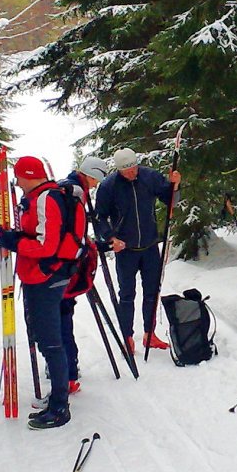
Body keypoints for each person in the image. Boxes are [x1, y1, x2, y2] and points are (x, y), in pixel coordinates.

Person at [0, 156, 83, 430]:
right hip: (41, 276)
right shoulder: (38, 198)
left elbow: (47, 245)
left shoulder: (45, 199)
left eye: (19, 177)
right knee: (47, 339)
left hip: (46, 276)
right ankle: (57, 398)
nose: (17, 183)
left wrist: (14, 241)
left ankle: (59, 408)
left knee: (50, 342)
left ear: (29, 175)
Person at [93, 147, 181, 355]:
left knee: (152, 291)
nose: (132, 173)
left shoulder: (149, 177)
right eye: (126, 170)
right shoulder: (109, 186)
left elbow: (170, 202)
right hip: (125, 249)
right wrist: (111, 238)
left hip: (150, 246)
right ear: (119, 170)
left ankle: (149, 334)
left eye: (133, 168)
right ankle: (127, 337)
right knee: (126, 294)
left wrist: (175, 185)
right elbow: (99, 218)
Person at [56, 156, 109, 396]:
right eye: (96, 180)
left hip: (66, 265)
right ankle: (68, 372)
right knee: (62, 320)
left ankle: (66, 370)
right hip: (65, 267)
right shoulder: (73, 193)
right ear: (90, 175)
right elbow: (69, 234)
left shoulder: (72, 189)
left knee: (62, 318)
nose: (97, 185)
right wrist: (86, 248)